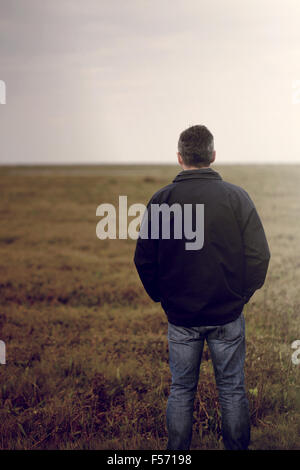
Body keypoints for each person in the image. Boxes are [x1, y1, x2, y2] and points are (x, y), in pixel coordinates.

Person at [134, 125, 270, 450]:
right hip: (228, 314)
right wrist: (241, 297)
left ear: (179, 157)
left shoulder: (161, 200)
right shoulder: (237, 197)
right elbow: (259, 255)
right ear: (212, 155)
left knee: (181, 389)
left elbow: (144, 260)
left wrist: (163, 299)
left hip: (181, 318)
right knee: (233, 388)